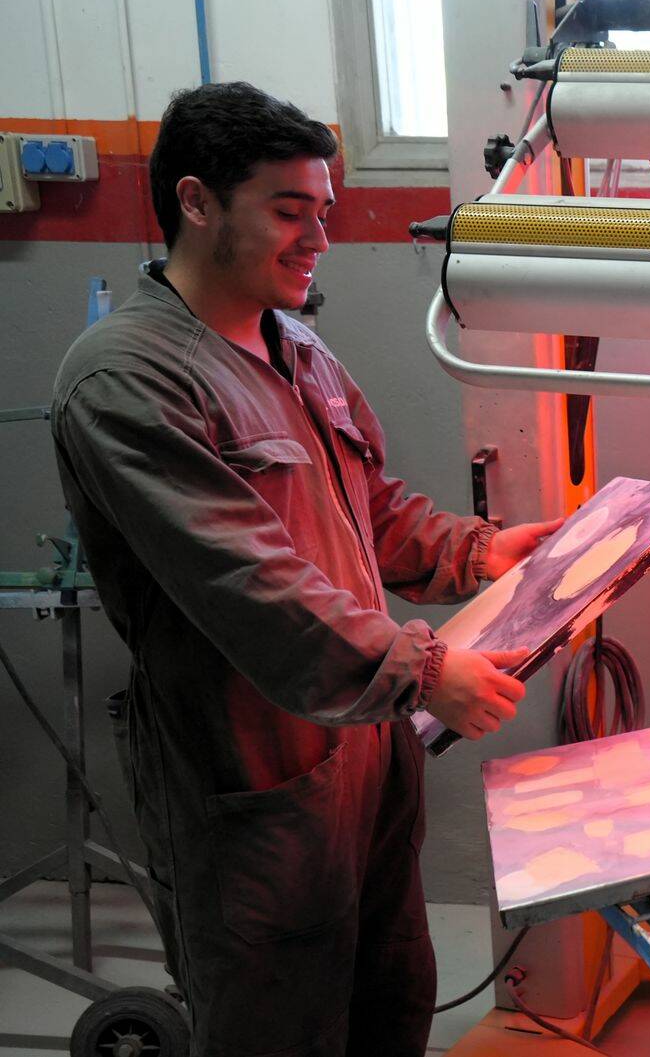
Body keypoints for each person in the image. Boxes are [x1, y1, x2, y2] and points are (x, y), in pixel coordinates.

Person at [51, 82, 559, 1056]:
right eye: (290, 211)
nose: (319, 237)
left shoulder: (299, 348)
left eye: (323, 210)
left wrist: (478, 551)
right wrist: (422, 671)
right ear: (197, 201)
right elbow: (247, 583)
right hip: (252, 781)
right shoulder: (128, 379)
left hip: (364, 764)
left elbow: (370, 509)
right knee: (277, 1023)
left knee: (389, 1002)